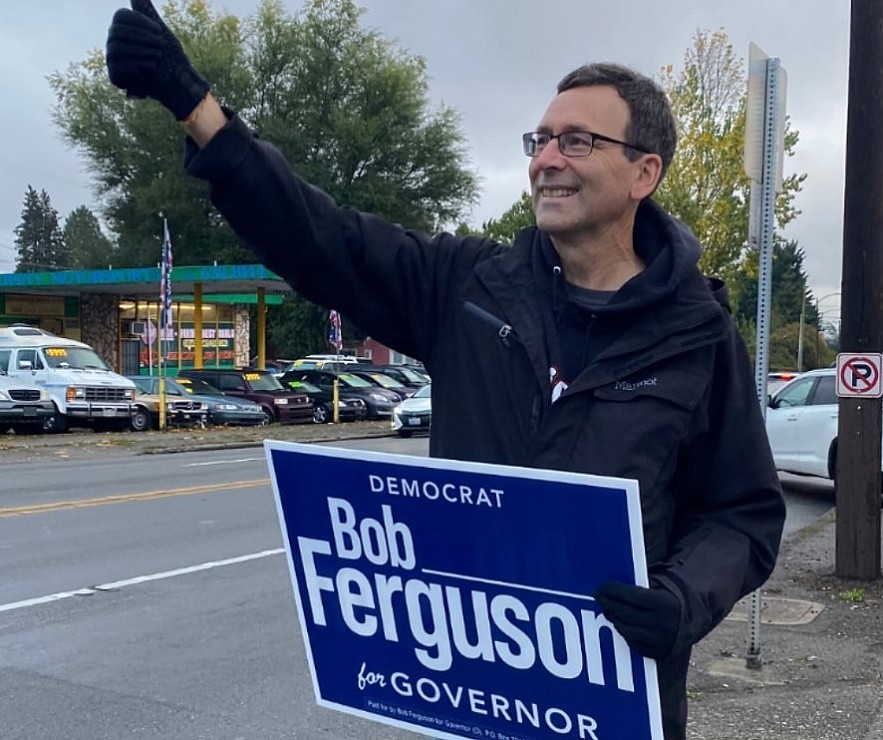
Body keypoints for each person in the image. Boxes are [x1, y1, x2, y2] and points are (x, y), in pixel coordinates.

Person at [106, 2, 786, 737]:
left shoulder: (695, 332)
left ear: (642, 172)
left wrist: (682, 600)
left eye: (578, 141)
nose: (547, 159)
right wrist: (194, 105)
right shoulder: (467, 285)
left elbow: (740, 513)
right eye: (542, 139)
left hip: (610, 700)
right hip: (473, 697)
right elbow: (318, 236)